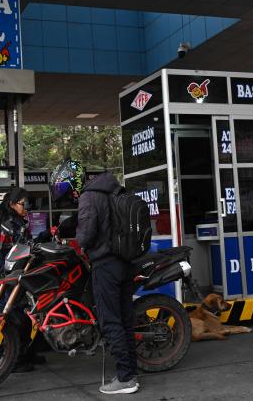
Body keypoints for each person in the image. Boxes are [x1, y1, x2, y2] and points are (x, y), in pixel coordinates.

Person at [72, 167, 139, 395]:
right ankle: (131, 371)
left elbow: (86, 234)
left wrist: (77, 240)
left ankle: (125, 378)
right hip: (125, 262)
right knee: (125, 319)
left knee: (110, 321)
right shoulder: (117, 191)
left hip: (105, 264)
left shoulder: (89, 197)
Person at [0, 188, 46, 372]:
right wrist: (36, 243)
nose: (27, 208)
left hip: (23, 274)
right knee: (18, 318)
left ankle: (28, 353)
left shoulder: (20, 221)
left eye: (28, 204)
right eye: (24, 204)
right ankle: (16, 360)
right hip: (11, 276)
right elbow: (10, 251)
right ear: (12, 204)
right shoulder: (9, 224)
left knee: (32, 313)